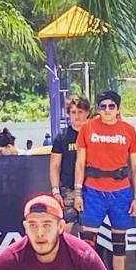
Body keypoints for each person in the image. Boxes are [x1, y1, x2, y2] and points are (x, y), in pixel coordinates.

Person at [75, 89, 136, 270]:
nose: (107, 110)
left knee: (119, 243)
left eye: (111, 106)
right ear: (98, 108)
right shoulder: (87, 128)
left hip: (121, 191)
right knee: (88, 243)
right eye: (103, 106)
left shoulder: (128, 130)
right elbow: (80, 163)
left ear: (118, 108)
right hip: (93, 189)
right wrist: (78, 192)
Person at [50, 95, 90, 231]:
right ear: (68, 114)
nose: (77, 116)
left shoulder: (93, 135)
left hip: (91, 188)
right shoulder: (62, 137)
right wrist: (56, 191)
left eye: (80, 112)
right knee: (66, 228)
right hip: (68, 188)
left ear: (87, 113)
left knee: (88, 229)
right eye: (73, 112)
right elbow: (55, 166)